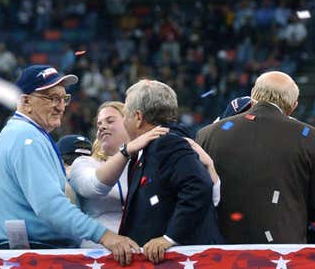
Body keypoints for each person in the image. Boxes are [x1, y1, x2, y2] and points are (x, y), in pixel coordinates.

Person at [0, 65, 139, 266]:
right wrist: (105, 236)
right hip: (35, 253)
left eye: (63, 98)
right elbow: (51, 207)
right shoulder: (27, 137)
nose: (60, 106)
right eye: (51, 98)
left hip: (33, 250)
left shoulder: (26, 133)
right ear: (26, 101)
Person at [196, 71, 315, 244]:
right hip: (283, 253)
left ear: (253, 95)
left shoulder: (207, 134)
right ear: (293, 105)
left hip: (221, 252)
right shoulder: (313, 139)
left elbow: (198, 196)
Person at [69, 101, 220, 249]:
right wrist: (126, 151)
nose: (102, 126)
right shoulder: (84, 163)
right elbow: (93, 187)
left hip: (146, 251)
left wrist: (209, 168)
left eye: (110, 120)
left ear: (131, 122)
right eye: (99, 124)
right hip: (97, 254)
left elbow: (201, 200)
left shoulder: (148, 162)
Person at [118, 80, 223, 264]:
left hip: (177, 260)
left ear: (138, 117)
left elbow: (198, 186)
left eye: (125, 114)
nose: (123, 120)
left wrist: (169, 238)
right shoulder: (149, 147)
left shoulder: (167, 143)